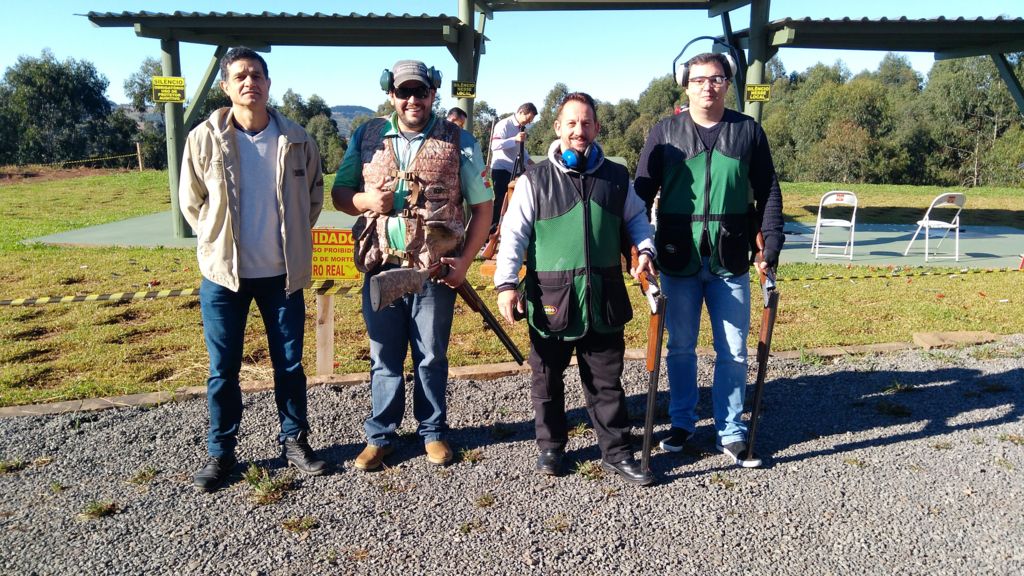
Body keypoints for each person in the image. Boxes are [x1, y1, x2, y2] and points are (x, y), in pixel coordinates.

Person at [331, 60, 493, 471]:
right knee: (383, 357)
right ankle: (381, 436)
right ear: (391, 95)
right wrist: (367, 202)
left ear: (433, 94)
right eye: (404, 92)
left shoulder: (460, 141)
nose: (412, 100)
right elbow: (340, 193)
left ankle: (433, 432)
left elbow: (483, 207)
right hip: (381, 266)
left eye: (420, 91)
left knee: (431, 355)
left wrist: (464, 264)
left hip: (434, 273)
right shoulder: (366, 136)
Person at [179, 47, 327, 492]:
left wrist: (292, 240)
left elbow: (314, 198)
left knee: (290, 365)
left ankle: (294, 440)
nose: (250, 82)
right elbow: (192, 203)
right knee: (223, 370)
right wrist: (216, 244)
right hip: (225, 278)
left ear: (268, 82)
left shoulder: (298, 138)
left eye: (257, 75)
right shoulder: (204, 138)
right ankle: (221, 453)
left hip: (283, 277)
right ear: (225, 87)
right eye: (240, 76)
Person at [494, 92, 657, 486]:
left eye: (586, 124)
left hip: (603, 300)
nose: (578, 131)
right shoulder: (535, 179)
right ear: (557, 128)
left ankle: (616, 453)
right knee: (546, 380)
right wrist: (506, 284)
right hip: (551, 301)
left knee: (607, 381)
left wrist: (646, 249)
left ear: (597, 128)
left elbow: (636, 219)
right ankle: (551, 448)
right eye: (571, 123)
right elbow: (513, 236)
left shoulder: (617, 178)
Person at [634, 52, 784, 468]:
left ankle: (731, 431)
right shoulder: (665, 133)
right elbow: (640, 195)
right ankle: (682, 422)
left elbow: (768, 190)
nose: (707, 86)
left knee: (733, 351)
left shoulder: (748, 131)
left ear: (726, 83)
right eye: (699, 79)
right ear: (686, 84)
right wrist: (635, 245)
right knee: (680, 348)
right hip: (676, 256)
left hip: (730, 258)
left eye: (716, 78)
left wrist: (770, 241)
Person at [488, 102, 537, 233]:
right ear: (521, 112)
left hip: (518, 170)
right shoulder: (503, 125)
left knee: (517, 203)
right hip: (501, 169)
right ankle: (492, 233)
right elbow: (494, 145)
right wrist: (514, 139)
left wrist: (529, 161)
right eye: (528, 119)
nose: (528, 123)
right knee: (500, 202)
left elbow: (521, 150)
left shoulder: (522, 128)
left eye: (531, 121)